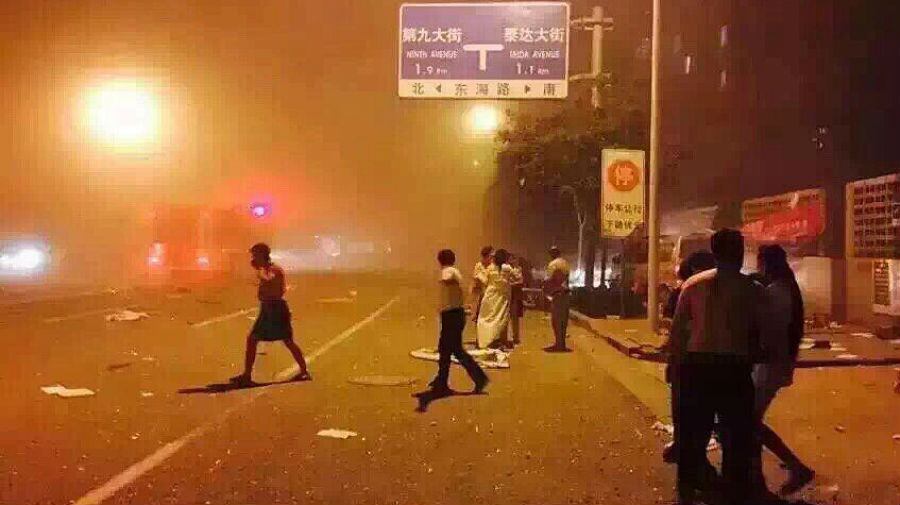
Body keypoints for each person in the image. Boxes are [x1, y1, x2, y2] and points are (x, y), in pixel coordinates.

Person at [670, 229, 763, 505]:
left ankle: (687, 489)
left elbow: (678, 332)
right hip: (734, 369)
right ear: (739, 253)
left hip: (697, 366)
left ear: (714, 252)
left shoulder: (693, 284)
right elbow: (759, 333)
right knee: (736, 435)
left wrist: (674, 364)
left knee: (693, 432)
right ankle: (734, 491)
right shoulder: (752, 289)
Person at [752, 245, 814, 495]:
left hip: (771, 365)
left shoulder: (777, 293)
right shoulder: (785, 288)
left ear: (767, 264)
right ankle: (789, 466)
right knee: (751, 421)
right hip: (774, 364)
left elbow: (770, 332)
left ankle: (796, 467)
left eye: (760, 263)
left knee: (750, 421)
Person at [661, 251, 717, 466]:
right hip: (704, 358)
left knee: (685, 406)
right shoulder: (717, 287)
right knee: (700, 408)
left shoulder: (690, 288)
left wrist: (671, 354)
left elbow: (673, 327)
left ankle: (685, 448)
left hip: (689, 358)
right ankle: (692, 449)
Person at [231, 243, 310, 385]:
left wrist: (260, 271)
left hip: (276, 309)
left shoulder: (273, 270)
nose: (253, 258)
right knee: (253, 339)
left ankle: (304, 371)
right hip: (267, 309)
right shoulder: (266, 269)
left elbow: (269, 278)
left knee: (287, 341)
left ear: (262, 255)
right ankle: (247, 375)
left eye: (255, 255)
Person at [428, 249, 489, 394]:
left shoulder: (449, 271)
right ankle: (441, 381)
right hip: (451, 315)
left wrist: (444, 278)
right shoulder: (453, 271)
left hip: (452, 316)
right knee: (445, 349)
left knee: (455, 350)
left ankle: (479, 378)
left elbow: (447, 277)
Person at [475, 248, 518, 349]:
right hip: (502, 297)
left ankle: (484, 341)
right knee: (500, 319)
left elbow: (484, 280)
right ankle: (497, 340)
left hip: (490, 295)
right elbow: (517, 277)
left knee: (486, 318)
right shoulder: (507, 268)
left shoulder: (490, 267)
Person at [543, 246, 570, 351]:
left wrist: (546, 290)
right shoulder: (565, 263)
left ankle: (558, 344)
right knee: (563, 321)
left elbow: (549, 279)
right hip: (566, 294)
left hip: (557, 294)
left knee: (556, 321)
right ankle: (562, 343)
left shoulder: (553, 264)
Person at [471, 246, 494, 322]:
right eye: (491, 256)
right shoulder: (478, 266)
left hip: (490, 297)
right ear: (486, 256)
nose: (492, 258)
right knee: (479, 321)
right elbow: (478, 280)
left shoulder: (493, 267)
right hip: (480, 296)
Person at [509, 253, 525, 346]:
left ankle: (516, 337)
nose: (512, 261)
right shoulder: (506, 269)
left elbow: (520, 281)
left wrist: (510, 284)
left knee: (515, 317)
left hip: (515, 295)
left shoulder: (518, 269)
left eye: (513, 259)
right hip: (507, 294)